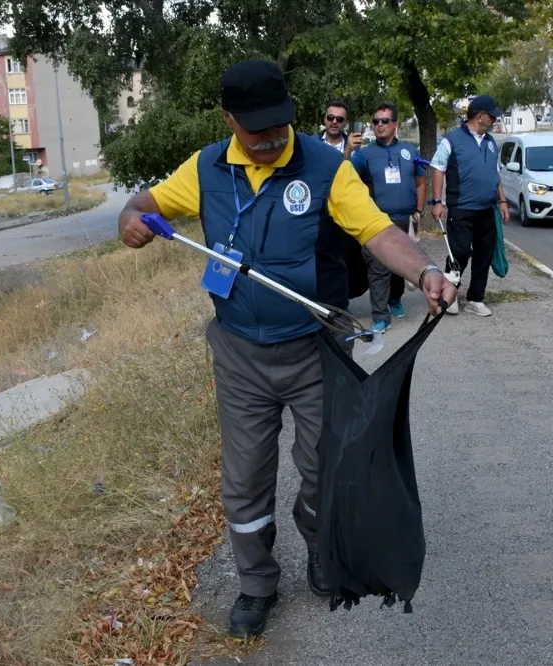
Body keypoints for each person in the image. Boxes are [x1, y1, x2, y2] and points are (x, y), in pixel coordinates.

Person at [118, 59, 456, 639]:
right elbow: (142, 205)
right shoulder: (204, 169)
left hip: (315, 347)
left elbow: (378, 231)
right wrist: (131, 220)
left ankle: (322, 551)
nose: (274, 139)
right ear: (229, 120)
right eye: (259, 132)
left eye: (282, 125)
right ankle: (257, 583)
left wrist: (424, 271)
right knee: (246, 480)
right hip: (240, 352)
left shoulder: (327, 166)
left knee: (324, 469)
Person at [429, 95, 511, 317]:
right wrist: (437, 202)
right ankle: (449, 294)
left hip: (487, 209)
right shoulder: (452, 140)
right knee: (459, 252)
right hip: (462, 208)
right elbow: (438, 169)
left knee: (484, 254)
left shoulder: (490, 142)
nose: (494, 119)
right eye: (492, 115)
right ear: (480, 116)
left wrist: (502, 201)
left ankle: (476, 298)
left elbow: (495, 174)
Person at [350, 102, 426, 331]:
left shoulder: (410, 151)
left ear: (395, 124)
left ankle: (395, 299)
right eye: (376, 121)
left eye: (384, 121)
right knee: (378, 267)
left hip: (405, 218)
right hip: (378, 222)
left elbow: (421, 183)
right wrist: (347, 151)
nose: (379, 125)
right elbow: (347, 177)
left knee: (400, 265)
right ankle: (380, 316)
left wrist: (419, 211)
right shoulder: (364, 154)